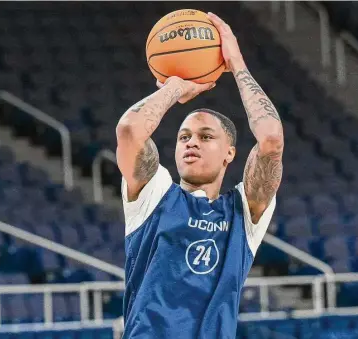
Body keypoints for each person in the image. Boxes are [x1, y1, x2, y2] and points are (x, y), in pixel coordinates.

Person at [115, 12, 283, 339]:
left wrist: (236, 64)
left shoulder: (243, 213)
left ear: (229, 153)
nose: (192, 142)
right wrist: (174, 87)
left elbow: (272, 138)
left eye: (206, 136)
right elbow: (128, 130)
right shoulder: (154, 194)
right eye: (184, 136)